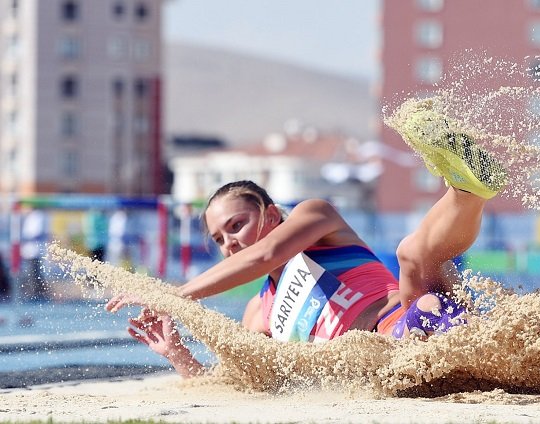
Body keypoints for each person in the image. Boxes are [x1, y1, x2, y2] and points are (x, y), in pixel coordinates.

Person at [106, 98, 507, 377]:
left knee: (413, 255)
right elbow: (241, 384)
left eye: (236, 225)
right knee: (413, 261)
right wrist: (176, 353)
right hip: (382, 368)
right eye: (218, 239)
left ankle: (467, 189)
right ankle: (466, 191)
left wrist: (174, 296)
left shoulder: (317, 217)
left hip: (409, 320)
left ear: (272, 215)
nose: (228, 243)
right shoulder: (257, 314)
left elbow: (265, 256)